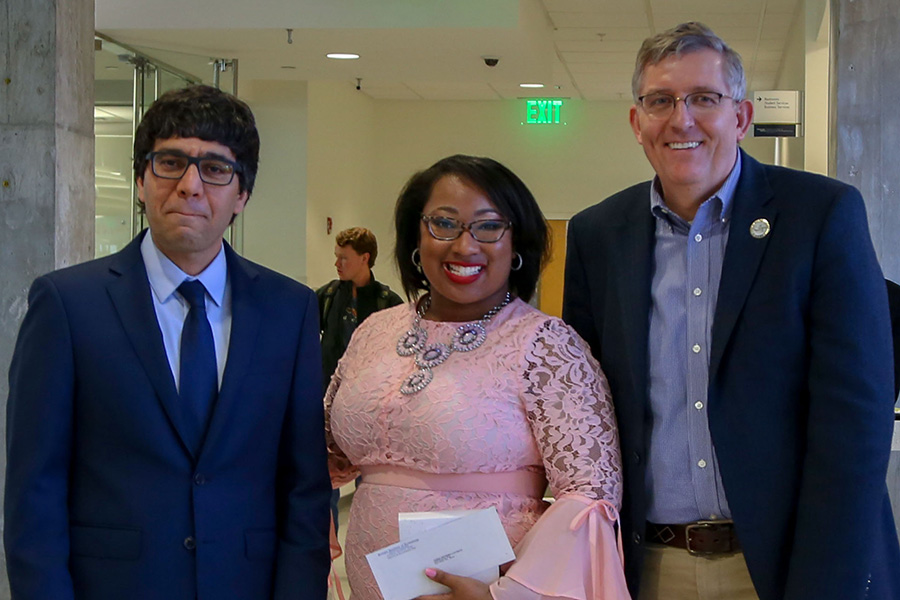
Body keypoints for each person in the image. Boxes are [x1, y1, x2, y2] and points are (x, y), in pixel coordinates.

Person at [563, 21, 900, 600]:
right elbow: (582, 408)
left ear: (740, 117)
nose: (681, 119)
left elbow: (856, 418)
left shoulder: (820, 216)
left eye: (704, 99)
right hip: (649, 568)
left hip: (785, 567)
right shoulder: (597, 234)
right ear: (636, 122)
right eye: (660, 101)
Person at [4, 85, 331, 600]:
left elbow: (304, 488)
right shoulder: (68, 305)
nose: (190, 186)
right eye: (170, 163)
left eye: (216, 169)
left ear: (242, 193)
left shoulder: (289, 309)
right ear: (140, 180)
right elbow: (34, 490)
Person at [325, 154, 629, 600]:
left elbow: (591, 495)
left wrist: (505, 595)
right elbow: (333, 446)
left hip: (490, 587)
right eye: (443, 224)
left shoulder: (546, 345)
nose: (465, 246)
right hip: (370, 585)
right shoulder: (376, 331)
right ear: (416, 235)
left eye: (488, 227)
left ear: (516, 244)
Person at [317, 227, 403, 389]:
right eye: (337, 257)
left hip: (369, 394)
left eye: (344, 258)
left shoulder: (388, 303)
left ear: (365, 258)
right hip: (327, 391)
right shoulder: (327, 295)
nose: (337, 264)